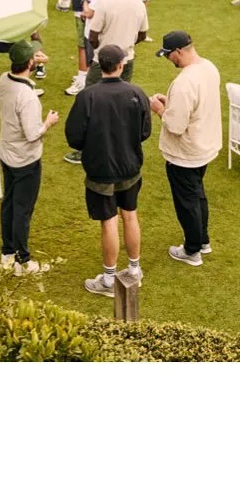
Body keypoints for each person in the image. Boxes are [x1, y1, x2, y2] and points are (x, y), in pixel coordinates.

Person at [64, 43, 151, 295]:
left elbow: (74, 137)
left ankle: (109, 280)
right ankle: (134, 270)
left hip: (100, 171)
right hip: (130, 168)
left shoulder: (87, 96)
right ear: (121, 65)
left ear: (97, 64)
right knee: (130, 215)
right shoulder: (137, 93)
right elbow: (145, 131)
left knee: (109, 221)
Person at [151, 31, 222, 265]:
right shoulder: (209, 67)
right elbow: (195, 106)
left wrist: (160, 109)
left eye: (168, 55)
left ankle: (192, 251)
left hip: (185, 154)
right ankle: (202, 240)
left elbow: (175, 126)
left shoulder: (184, 82)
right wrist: (171, 104)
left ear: (179, 51)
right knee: (198, 195)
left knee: (187, 203)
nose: (167, 59)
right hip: (204, 146)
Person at [0, 40, 60, 275]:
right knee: (22, 210)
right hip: (25, 160)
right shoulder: (28, 97)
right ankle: (22, 260)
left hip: (6, 152)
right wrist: (49, 122)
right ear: (30, 62)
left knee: (9, 204)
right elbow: (33, 134)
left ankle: (7, 253)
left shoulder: (3, 79)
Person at [84, 0, 149, 85]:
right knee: (121, 94)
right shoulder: (139, 4)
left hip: (102, 60)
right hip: (126, 59)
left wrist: (100, 49)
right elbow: (142, 35)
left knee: (92, 93)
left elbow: (93, 37)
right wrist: (126, 43)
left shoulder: (104, 3)